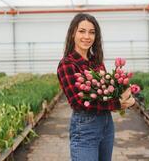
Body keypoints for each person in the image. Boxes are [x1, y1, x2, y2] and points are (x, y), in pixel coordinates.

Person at [57, 13, 136, 161]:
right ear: (73, 33)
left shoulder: (96, 62)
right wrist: (118, 103)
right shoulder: (67, 64)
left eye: (92, 32)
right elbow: (78, 103)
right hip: (85, 127)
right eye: (82, 31)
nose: (87, 36)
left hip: (106, 124)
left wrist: (125, 95)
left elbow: (107, 93)